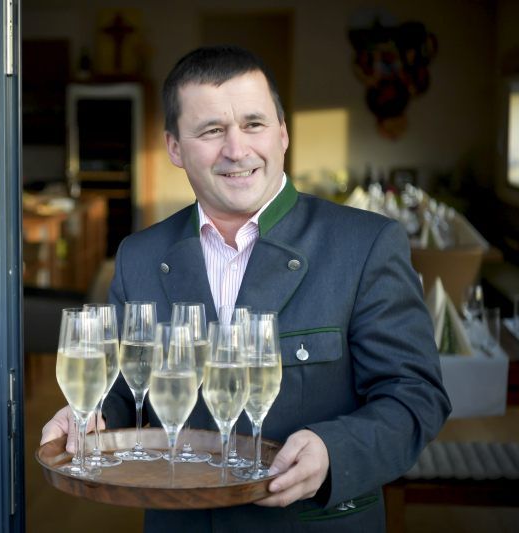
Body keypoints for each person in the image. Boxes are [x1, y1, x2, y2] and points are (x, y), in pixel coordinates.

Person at [41, 45, 451, 532]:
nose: (236, 149)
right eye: (211, 130)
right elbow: (124, 392)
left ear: (283, 133)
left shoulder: (365, 244)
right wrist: (86, 415)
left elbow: (414, 395)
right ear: (174, 147)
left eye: (253, 124)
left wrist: (333, 451)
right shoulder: (139, 255)